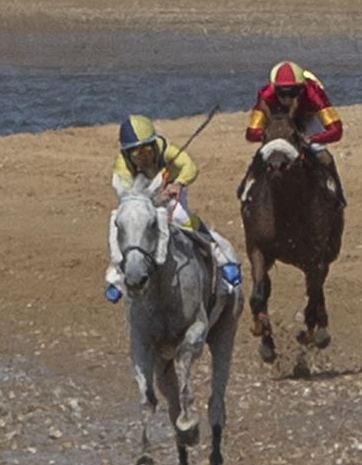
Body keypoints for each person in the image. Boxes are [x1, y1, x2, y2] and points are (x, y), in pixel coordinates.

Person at [104, 114, 241, 304]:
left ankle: (220, 257)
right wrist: (151, 195)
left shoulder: (165, 148)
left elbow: (190, 167)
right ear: (128, 154)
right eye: (136, 153)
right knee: (124, 224)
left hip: (172, 193)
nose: (143, 156)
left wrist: (177, 183)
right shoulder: (123, 166)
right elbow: (127, 193)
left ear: (154, 145)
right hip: (142, 200)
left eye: (146, 149)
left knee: (180, 216)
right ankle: (117, 276)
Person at [244, 60, 346, 206]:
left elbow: (336, 130)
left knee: (323, 156)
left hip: (307, 116)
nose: (287, 99)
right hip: (277, 118)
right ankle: (246, 191)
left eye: (293, 93)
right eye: (281, 93)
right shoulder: (266, 95)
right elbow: (250, 133)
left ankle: (337, 195)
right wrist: (268, 137)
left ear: (302, 89)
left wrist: (311, 139)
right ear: (274, 89)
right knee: (262, 155)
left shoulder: (314, 94)